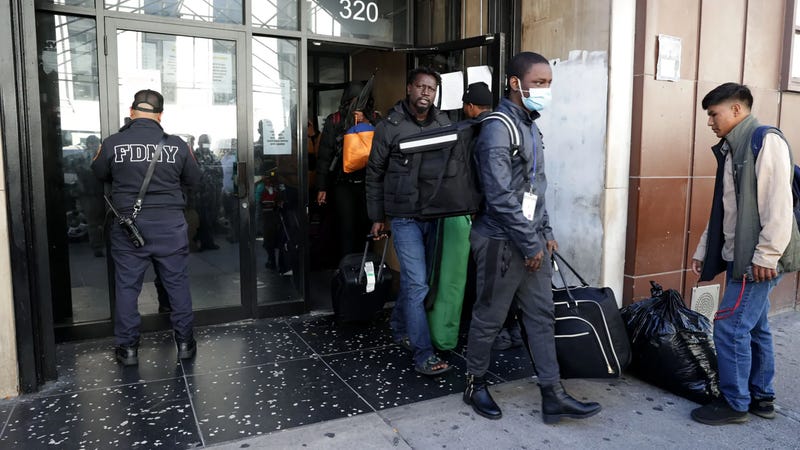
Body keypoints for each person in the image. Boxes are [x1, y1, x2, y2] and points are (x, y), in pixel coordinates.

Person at [462, 52, 601, 423]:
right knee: (489, 317)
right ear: (515, 83)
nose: (545, 90)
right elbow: (499, 196)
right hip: (500, 242)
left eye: (549, 83)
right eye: (539, 82)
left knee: (541, 316)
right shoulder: (498, 127)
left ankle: (553, 394)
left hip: (531, 241)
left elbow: (534, 188)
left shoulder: (530, 126)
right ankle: (475, 384)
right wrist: (530, 242)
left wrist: (546, 233)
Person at [690, 83, 800, 425]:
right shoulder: (732, 147)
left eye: (714, 114)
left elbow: (778, 205)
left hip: (756, 260)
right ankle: (761, 397)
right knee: (755, 326)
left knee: (729, 326)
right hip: (747, 254)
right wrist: (705, 249)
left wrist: (766, 256)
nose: (710, 122)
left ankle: (735, 402)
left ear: (737, 110)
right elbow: (725, 210)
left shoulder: (764, 141)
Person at [92, 89, 201, 366]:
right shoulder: (177, 145)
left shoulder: (113, 143)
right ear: (160, 115)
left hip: (129, 226)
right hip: (170, 225)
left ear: (131, 112)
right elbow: (194, 178)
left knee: (127, 287)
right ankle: (185, 344)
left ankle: (128, 349)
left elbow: (98, 173)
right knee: (177, 283)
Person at [366, 67, 452, 376]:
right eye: (421, 86)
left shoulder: (444, 124)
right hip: (404, 217)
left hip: (435, 215)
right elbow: (374, 173)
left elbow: (454, 168)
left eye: (432, 88)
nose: (426, 92)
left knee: (418, 282)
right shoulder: (389, 127)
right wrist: (377, 217)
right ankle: (423, 353)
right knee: (417, 284)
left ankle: (400, 326)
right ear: (409, 89)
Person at [317, 81, 377, 259]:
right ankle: (347, 268)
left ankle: (365, 268)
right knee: (346, 228)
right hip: (343, 183)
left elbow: (383, 145)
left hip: (368, 184)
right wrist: (322, 187)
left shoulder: (375, 119)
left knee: (367, 228)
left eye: (361, 100)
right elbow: (324, 156)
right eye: (353, 100)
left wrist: (367, 123)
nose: (357, 104)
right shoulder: (335, 120)